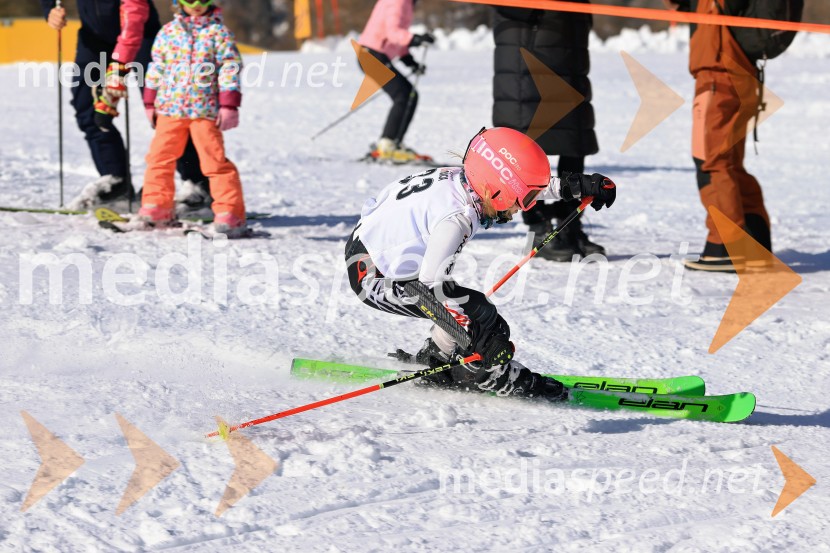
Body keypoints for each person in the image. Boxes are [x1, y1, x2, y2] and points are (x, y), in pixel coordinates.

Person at [345, 127, 616, 399]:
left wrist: (575, 187)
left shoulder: (467, 180)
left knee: (472, 311)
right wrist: (480, 339)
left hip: (376, 253)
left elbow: (518, 183)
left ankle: (437, 359)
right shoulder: (457, 219)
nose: (522, 209)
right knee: (483, 320)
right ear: (499, 192)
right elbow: (430, 288)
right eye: (523, 201)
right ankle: (488, 376)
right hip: (374, 278)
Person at [41, 0, 212, 212]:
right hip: (94, 39)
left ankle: (197, 183)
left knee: (168, 110)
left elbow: (135, 14)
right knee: (87, 107)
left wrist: (119, 67)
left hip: (140, 33)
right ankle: (115, 181)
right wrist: (50, 9)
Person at [664, 0, 772, 272]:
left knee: (712, 161)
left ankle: (725, 245)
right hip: (738, 72)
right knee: (728, 163)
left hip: (718, 75)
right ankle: (755, 243)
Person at [492, 3, 604, 262]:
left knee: (574, 140)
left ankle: (569, 222)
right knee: (527, 146)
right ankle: (538, 225)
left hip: (569, 47)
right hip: (528, 51)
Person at [139, 0, 246, 235]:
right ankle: (157, 206)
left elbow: (229, 68)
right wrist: (150, 100)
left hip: (204, 110)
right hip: (170, 108)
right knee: (159, 158)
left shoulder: (219, 33)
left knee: (214, 161)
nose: (196, 4)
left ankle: (230, 212)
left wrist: (229, 104)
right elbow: (156, 67)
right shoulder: (168, 32)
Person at [358, 0, 435, 163]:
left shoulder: (405, 3)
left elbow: (395, 39)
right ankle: (387, 145)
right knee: (403, 95)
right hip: (371, 56)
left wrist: (409, 61)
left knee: (409, 95)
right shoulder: (399, 1)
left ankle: (393, 143)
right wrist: (416, 39)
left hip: (374, 55)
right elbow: (393, 32)